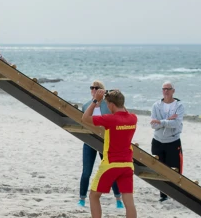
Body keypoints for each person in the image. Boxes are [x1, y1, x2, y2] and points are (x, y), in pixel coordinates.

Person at [82, 89, 138, 218]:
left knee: (93, 196)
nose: (107, 106)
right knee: (129, 201)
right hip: (128, 165)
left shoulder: (110, 119)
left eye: (107, 104)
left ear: (112, 104)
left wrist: (96, 100)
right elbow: (123, 109)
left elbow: (85, 118)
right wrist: (115, 96)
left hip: (111, 164)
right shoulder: (133, 118)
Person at [78, 80, 123, 209]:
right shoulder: (86, 105)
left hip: (106, 142)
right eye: (91, 87)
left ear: (102, 91)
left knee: (111, 170)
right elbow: (84, 121)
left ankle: (118, 199)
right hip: (89, 141)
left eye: (96, 88)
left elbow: (117, 119)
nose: (93, 90)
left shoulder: (108, 106)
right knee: (86, 171)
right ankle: (81, 199)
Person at [150, 81, 185, 202]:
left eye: (168, 89)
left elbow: (176, 123)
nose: (166, 91)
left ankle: (176, 194)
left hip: (173, 141)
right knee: (160, 169)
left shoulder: (179, 105)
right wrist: (167, 120)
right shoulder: (156, 105)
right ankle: (163, 195)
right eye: (164, 89)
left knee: (174, 169)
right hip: (157, 141)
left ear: (173, 91)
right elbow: (153, 125)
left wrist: (161, 121)